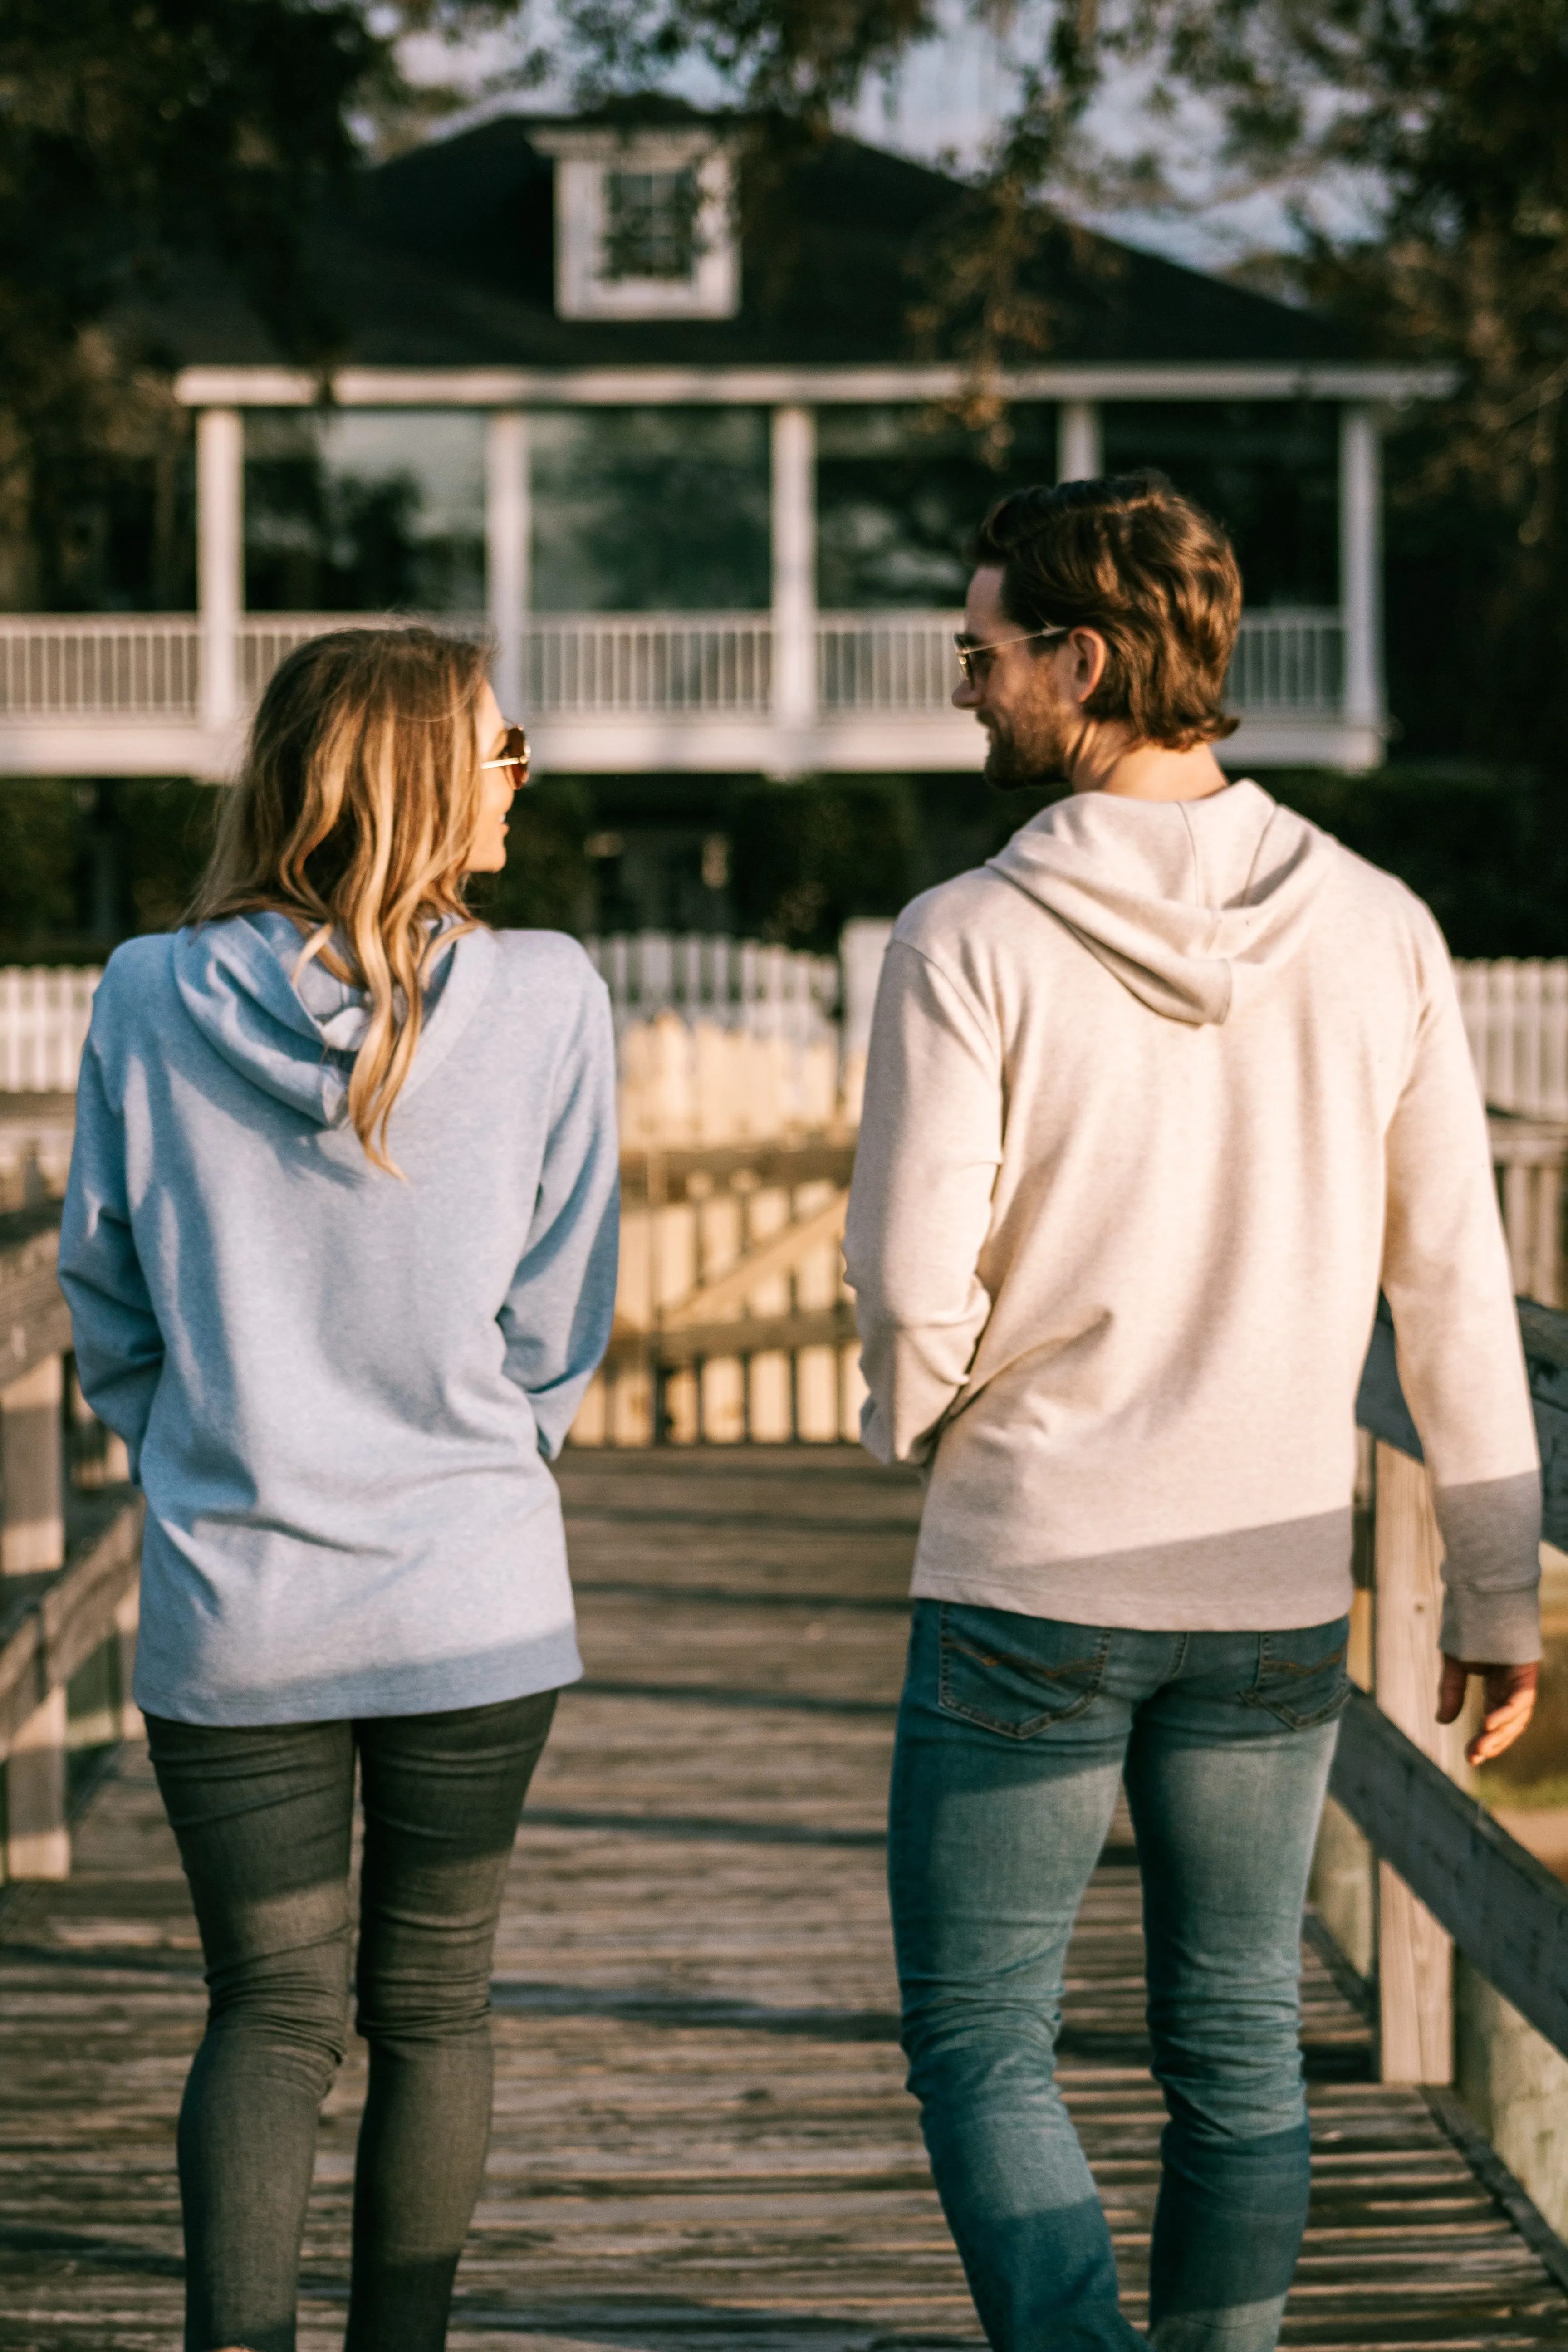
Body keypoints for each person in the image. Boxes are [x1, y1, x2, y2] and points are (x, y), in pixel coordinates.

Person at [843, 473, 1542, 2352]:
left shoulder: (967, 937)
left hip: (1035, 1568)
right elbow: (1453, 1283)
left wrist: (924, 1425)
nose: (965, 689)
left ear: (1081, 660)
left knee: (982, 2040)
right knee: (1237, 2041)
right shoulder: (1381, 924)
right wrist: (1494, 1584)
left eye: (980, 654)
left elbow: (913, 1293)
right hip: (1267, 1579)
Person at [59, 626, 619, 2352]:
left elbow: (107, 1295)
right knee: (434, 2009)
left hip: (240, 1609)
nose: (524, 773)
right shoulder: (548, 998)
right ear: (427, 779)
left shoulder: (149, 993)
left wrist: (213, 1456)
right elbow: (560, 1314)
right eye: (501, 746)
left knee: (268, 2017)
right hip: (474, 1601)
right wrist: (478, 1471)